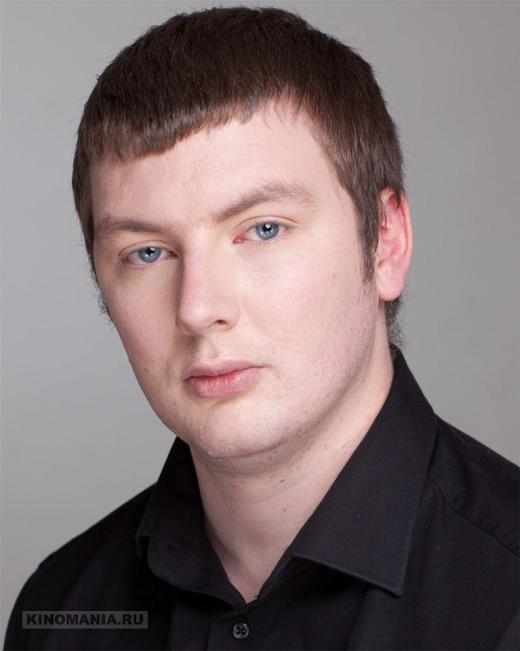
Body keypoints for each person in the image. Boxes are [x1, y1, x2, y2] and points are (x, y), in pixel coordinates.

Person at [4, 6, 518, 650]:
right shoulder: (59, 613)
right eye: (148, 252)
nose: (198, 308)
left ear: (385, 242)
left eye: (264, 229)